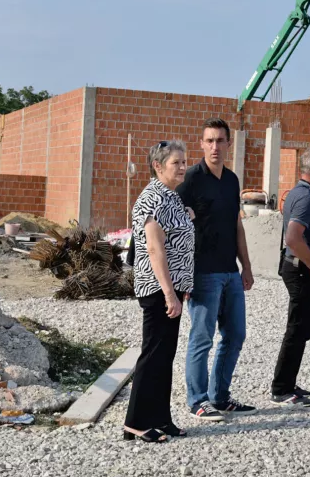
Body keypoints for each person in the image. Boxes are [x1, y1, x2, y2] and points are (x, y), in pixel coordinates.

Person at [178, 119, 256, 421]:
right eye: (209, 140)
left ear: (228, 144)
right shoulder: (191, 180)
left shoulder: (233, 180)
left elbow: (236, 224)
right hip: (202, 273)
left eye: (220, 140)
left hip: (229, 271)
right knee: (202, 338)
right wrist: (182, 276)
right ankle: (197, 400)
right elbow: (176, 230)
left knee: (235, 335)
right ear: (201, 144)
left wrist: (246, 266)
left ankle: (220, 397)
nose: (214, 146)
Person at [123, 140, 195, 443]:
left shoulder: (171, 197)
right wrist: (169, 292)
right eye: (175, 162)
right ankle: (136, 422)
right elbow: (154, 248)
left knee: (165, 355)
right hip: (157, 289)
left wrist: (182, 287)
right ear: (157, 166)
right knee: (152, 354)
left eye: (183, 162)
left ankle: (161, 418)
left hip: (173, 288)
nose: (182, 167)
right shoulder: (153, 198)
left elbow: (176, 234)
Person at [270, 147, 310, 407]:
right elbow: (293, 237)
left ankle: (288, 381)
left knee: (303, 327)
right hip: (301, 270)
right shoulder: (306, 198)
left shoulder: (299, 193)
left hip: (299, 268)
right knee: (297, 328)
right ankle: (281, 389)